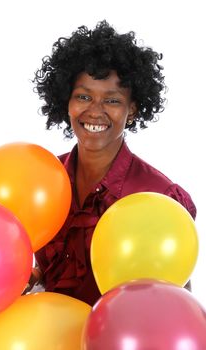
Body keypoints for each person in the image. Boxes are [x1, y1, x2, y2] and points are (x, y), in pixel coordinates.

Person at [26, 20, 196, 306]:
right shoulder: (42, 178)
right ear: (66, 101)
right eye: (83, 96)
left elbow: (176, 308)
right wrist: (35, 275)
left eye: (112, 101)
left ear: (132, 110)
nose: (95, 111)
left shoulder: (158, 198)